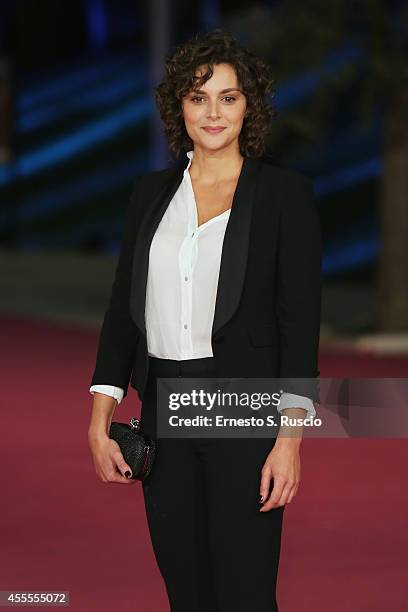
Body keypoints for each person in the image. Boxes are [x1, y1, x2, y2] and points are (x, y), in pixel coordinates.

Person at [87, 29, 321, 612]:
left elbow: (299, 327)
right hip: (164, 411)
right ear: (179, 108)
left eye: (228, 97)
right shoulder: (150, 195)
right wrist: (101, 418)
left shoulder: (283, 197)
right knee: (186, 591)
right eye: (198, 98)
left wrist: (289, 441)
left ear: (250, 106)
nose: (213, 112)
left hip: (244, 411)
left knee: (244, 592)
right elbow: (124, 311)